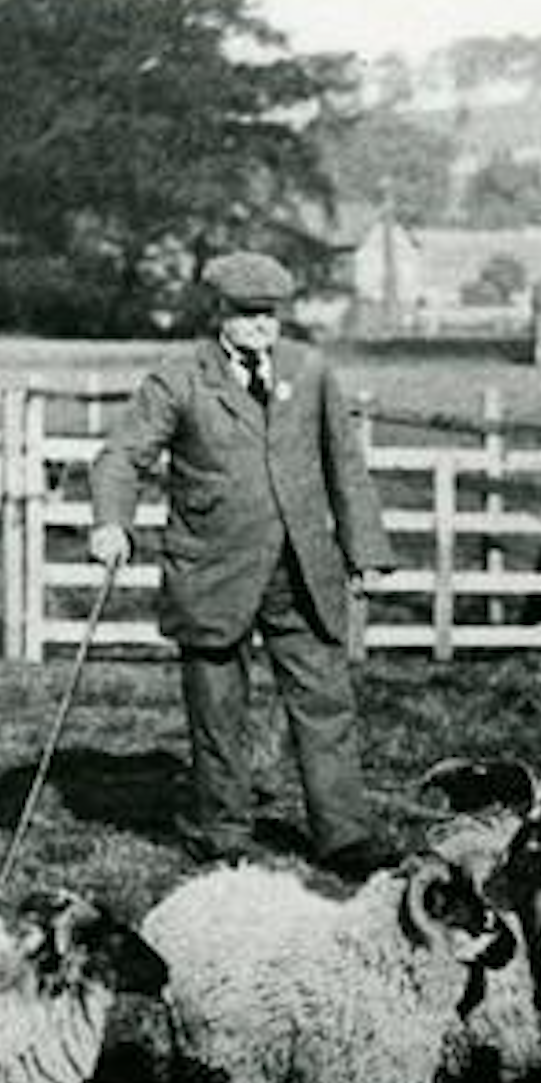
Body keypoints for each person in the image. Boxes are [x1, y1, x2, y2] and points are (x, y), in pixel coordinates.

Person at [89, 251, 399, 878]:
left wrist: (365, 552)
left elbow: (346, 466)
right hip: (213, 572)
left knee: (325, 699)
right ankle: (223, 831)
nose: (261, 326)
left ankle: (343, 836)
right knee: (217, 709)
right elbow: (122, 457)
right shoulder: (179, 379)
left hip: (301, 571)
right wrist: (111, 522)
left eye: (270, 315)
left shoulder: (309, 373)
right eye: (246, 314)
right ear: (218, 314)